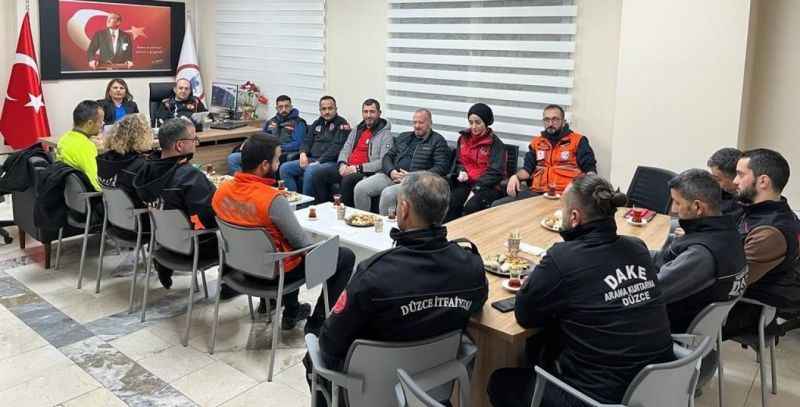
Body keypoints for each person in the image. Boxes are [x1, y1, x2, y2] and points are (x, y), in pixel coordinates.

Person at [488, 174, 674, 407]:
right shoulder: (637, 248)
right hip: (660, 386)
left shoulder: (562, 258)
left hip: (599, 398)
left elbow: (525, 316)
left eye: (562, 210)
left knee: (500, 381)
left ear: (574, 217)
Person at [313, 171, 488, 382]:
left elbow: (330, 343)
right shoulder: (472, 267)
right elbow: (477, 304)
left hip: (373, 390)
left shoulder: (373, 273)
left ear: (403, 209)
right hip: (434, 386)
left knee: (313, 358)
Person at [213, 134, 355, 330]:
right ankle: (318, 323)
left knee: (278, 242)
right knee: (343, 255)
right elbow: (303, 245)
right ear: (264, 165)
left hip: (239, 268)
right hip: (273, 274)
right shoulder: (272, 199)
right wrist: (323, 244)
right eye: (277, 159)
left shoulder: (222, 191)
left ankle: (283, 306)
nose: (279, 164)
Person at [133, 119, 232, 296]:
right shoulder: (190, 176)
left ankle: (163, 263)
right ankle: (230, 286)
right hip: (192, 247)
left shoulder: (146, 169)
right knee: (235, 234)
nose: (196, 143)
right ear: (179, 146)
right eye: (194, 139)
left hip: (163, 242)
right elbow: (209, 219)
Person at [652, 169, 747, 333]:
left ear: (698, 207)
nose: (673, 209)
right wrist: (634, 253)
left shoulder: (701, 254)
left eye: (677, 202)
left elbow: (651, 291)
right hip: (692, 321)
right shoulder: (729, 234)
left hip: (667, 329)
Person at [724, 149, 800, 338]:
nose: (734, 181)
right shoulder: (760, 210)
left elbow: (731, 282)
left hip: (744, 310)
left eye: (741, 175)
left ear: (763, 181)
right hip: (737, 296)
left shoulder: (769, 232)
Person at [495, 104, 597, 206]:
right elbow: (527, 170)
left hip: (565, 194)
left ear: (563, 122)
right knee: (497, 205)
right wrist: (515, 176)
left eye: (555, 119)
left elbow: (590, 172)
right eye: (547, 120)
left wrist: (576, 186)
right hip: (537, 194)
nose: (550, 123)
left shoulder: (578, 141)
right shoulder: (537, 142)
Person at [358, 108, 450, 215]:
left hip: (415, 182)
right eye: (414, 122)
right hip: (392, 176)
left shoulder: (438, 141)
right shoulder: (404, 137)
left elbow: (441, 168)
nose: (417, 126)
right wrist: (391, 171)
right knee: (360, 188)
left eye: (421, 122)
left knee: (388, 194)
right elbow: (388, 156)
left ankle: (389, 230)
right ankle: (363, 222)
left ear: (430, 123)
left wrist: (413, 176)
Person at [311, 99, 392, 206]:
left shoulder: (385, 135)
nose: (368, 115)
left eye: (372, 112)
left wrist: (357, 168)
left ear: (379, 113)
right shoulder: (358, 129)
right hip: (348, 167)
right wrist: (342, 164)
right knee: (318, 174)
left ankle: (345, 214)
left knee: (347, 180)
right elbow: (346, 148)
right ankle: (324, 207)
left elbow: (383, 161)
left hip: (365, 172)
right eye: (365, 111)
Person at [445, 103, 506, 221]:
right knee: (451, 201)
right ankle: (450, 234)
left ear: (486, 122)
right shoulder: (463, 139)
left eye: (478, 122)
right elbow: (459, 161)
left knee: (472, 206)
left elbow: (495, 173)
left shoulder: (496, 144)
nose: (473, 126)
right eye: (471, 122)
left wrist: (476, 189)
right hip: (467, 184)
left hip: (489, 187)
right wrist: (461, 171)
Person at [279, 96, 350, 197]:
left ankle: (306, 207)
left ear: (336, 109)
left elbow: (336, 148)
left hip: (330, 162)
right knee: (285, 168)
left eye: (330, 108)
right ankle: (293, 201)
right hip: (312, 159)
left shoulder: (342, 124)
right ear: (320, 110)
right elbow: (307, 141)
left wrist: (319, 162)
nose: (327, 112)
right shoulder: (317, 123)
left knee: (311, 170)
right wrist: (303, 154)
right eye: (324, 109)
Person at [226, 94, 307, 174]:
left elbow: (298, 144)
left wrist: (278, 148)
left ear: (291, 107)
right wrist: (248, 142)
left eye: (286, 106)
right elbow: (261, 137)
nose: (284, 109)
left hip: (280, 155)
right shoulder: (271, 121)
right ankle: (243, 183)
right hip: (264, 153)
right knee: (233, 158)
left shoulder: (299, 123)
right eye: (280, 107)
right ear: (276, 108)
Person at [96, 113, 152, 208]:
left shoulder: (103, 159)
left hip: (112, 214)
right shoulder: (141, 166)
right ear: (143, 135)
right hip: (138, 217)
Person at [57, 100, 104, 191]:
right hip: (90, 198)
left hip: (69, 193)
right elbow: (96, 184)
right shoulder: (86, 147)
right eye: (101, 121)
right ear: (90, 123)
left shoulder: (64, 138)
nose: (102, 125)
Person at [707, 147, 744, 218]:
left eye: (718, 179)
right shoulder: (716, 195)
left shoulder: (749, 204)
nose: (715, 183)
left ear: (735, 176)